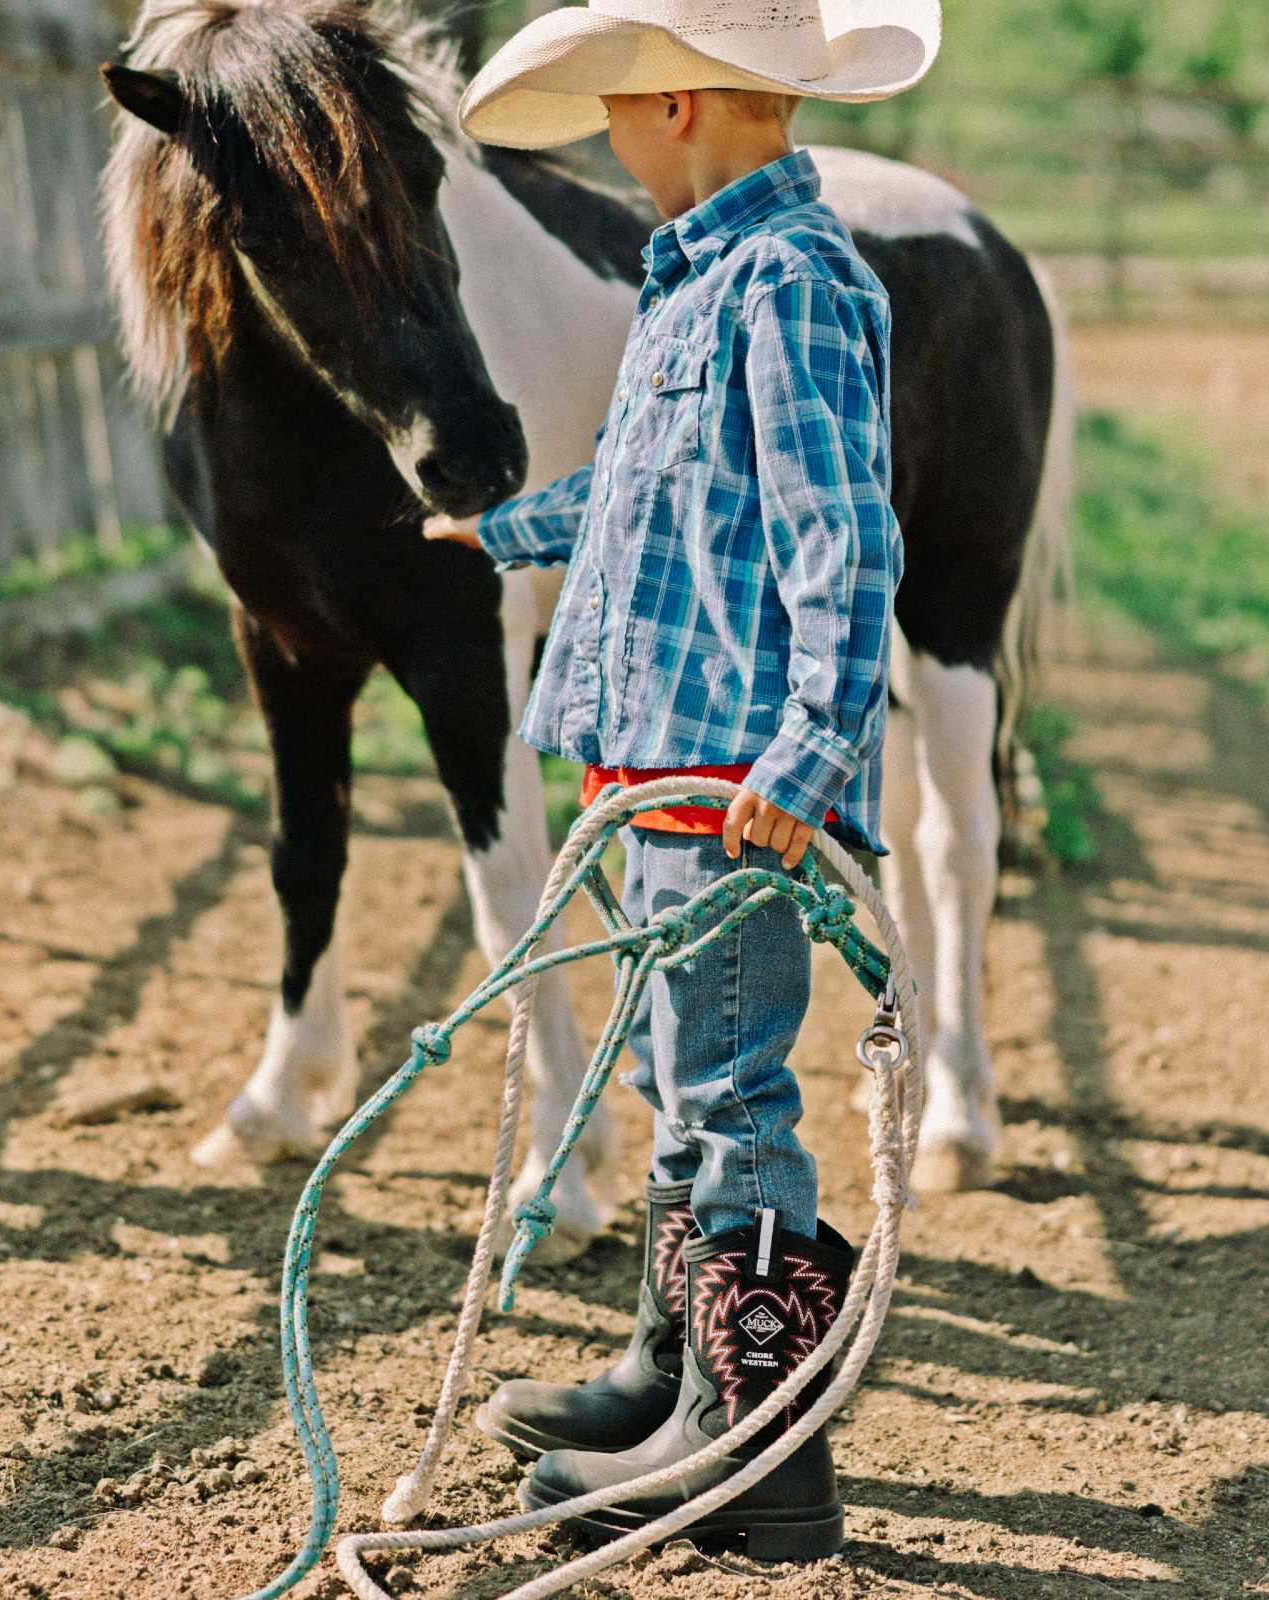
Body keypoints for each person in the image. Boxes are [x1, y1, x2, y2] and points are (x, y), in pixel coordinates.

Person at [422, 0, 940, 1562]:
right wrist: (504, 531)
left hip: (733, 775)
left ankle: (756, 1445)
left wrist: (804, 749)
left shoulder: (791, 285)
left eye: (616, 111)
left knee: (729, 1084)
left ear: (681, 107)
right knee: (677, 1071)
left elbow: (844, 536)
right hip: (661, 763)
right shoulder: (701, 283)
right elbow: (653, 491)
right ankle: (679, 1363)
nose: (604, 139)